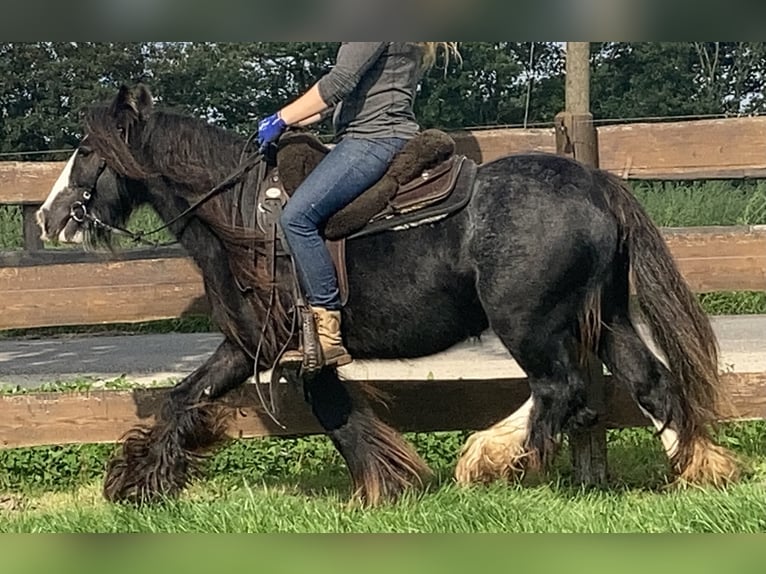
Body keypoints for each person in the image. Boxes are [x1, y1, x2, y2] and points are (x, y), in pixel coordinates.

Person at [257, 42, 460, 367]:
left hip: (374, 139)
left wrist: (280, 117)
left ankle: (328, 335)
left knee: (296, 218)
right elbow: (332, 100)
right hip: (368, 136)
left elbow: (339, 82)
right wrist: (290, 122)